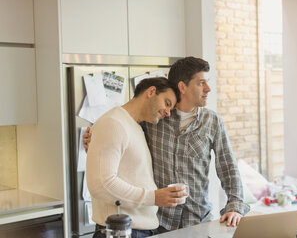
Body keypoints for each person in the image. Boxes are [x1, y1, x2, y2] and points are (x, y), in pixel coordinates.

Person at [85, 57, 249, 232]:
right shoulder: (153, 117)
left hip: (199, 220)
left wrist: (235, 206)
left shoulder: (212, 121)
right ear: (182, 87)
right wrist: (92, 140)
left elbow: (228, 166)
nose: (208, 89)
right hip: (160, 221)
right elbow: (118, 140)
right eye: (201, 83)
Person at [86, 77, 188, 238]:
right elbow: (100, 184)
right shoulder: (113, 123)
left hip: (139, 230)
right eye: (167, 103)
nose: (168, 113)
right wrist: (153, 197)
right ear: (151, 91)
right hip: (122, 232)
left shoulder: (133, 126)